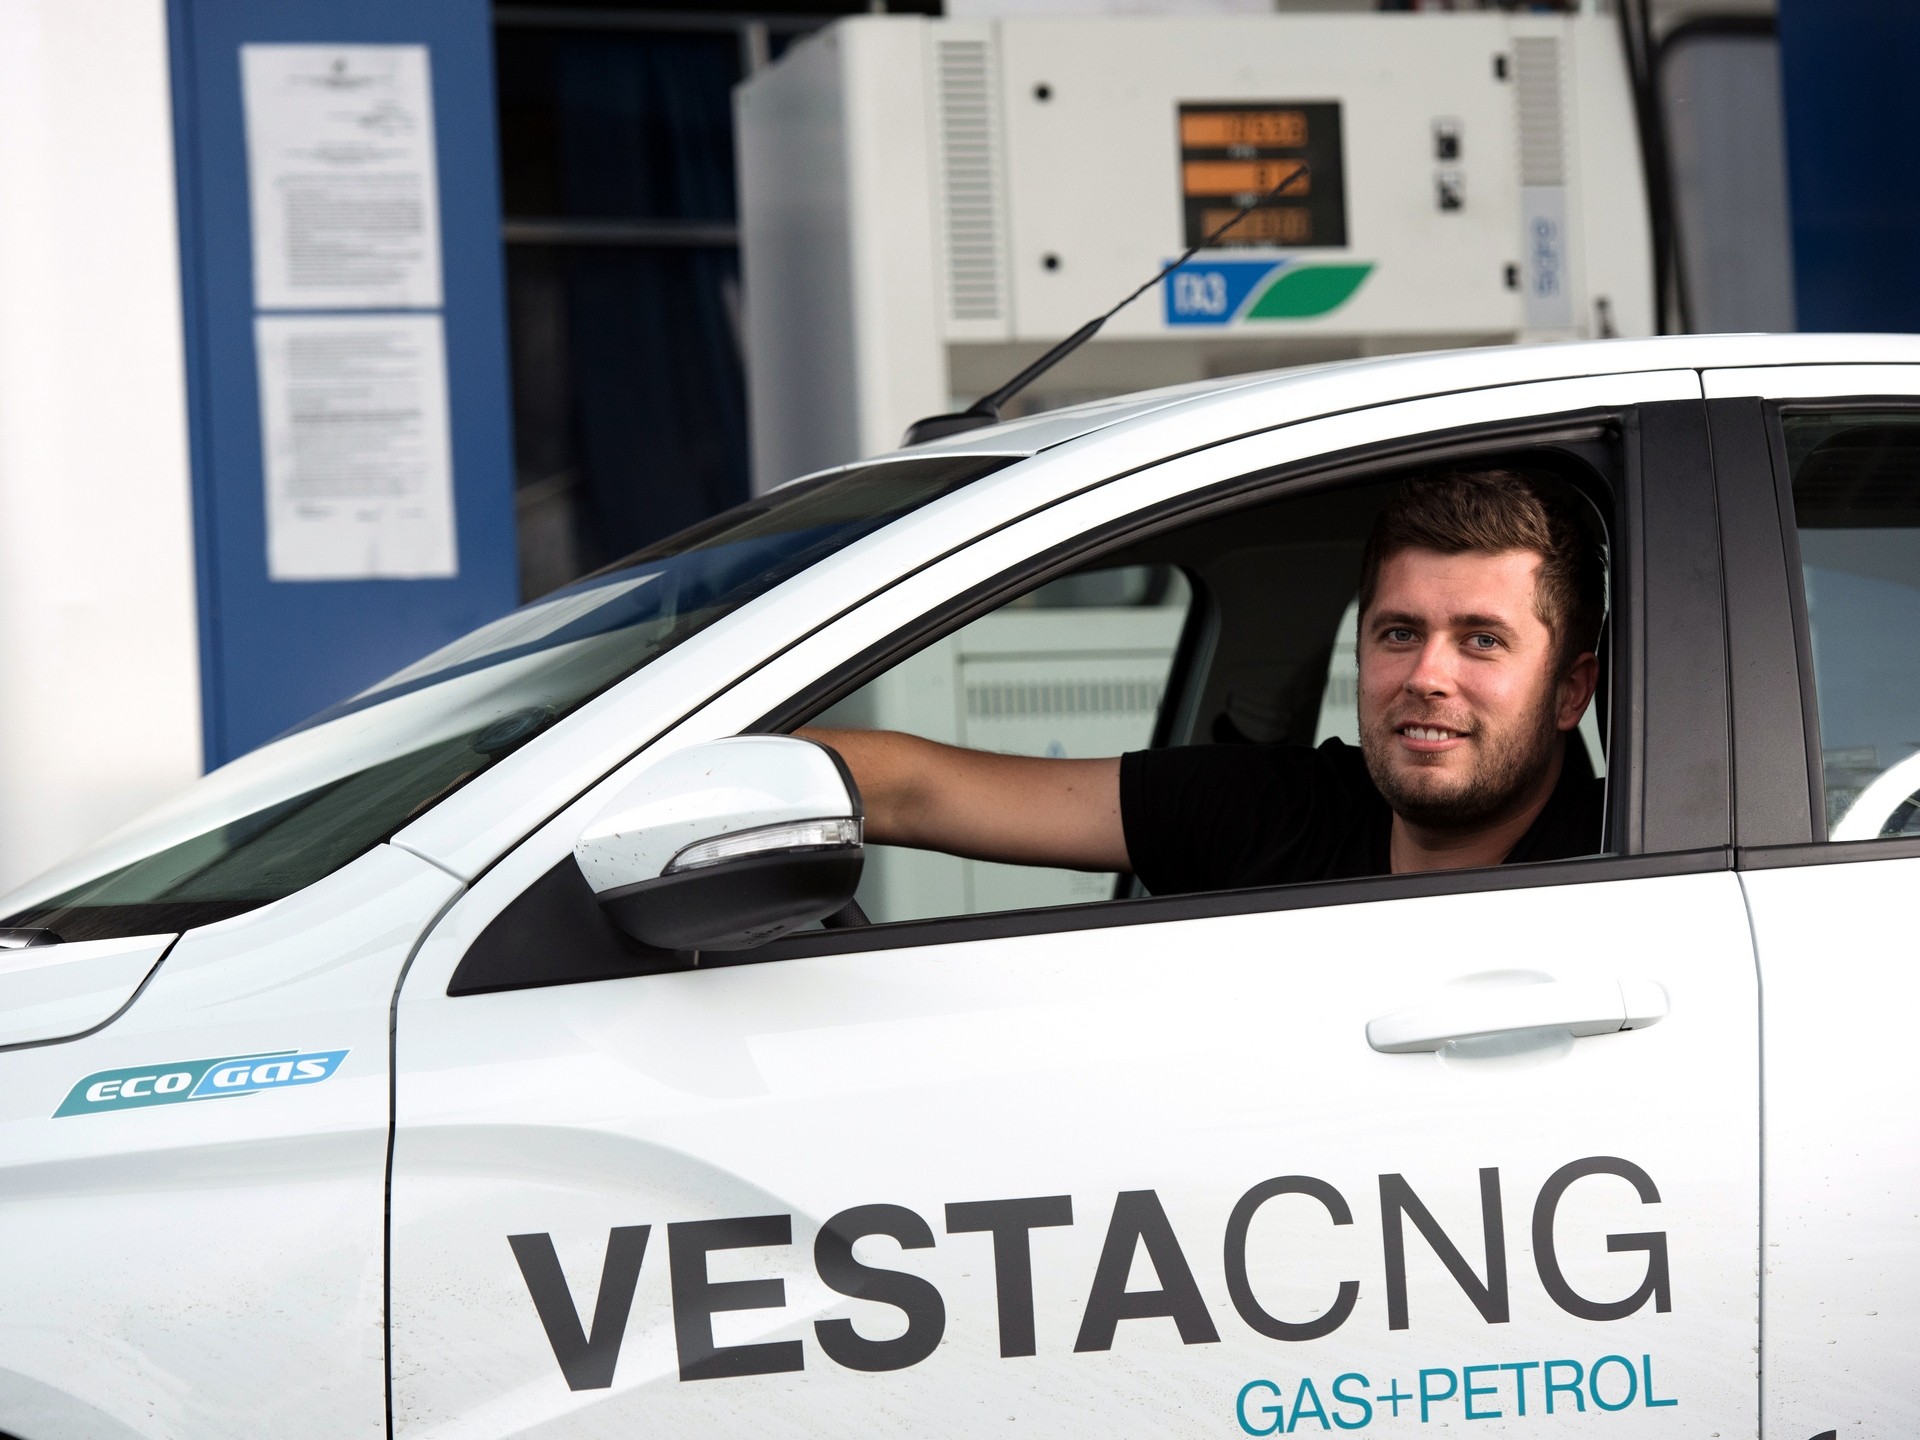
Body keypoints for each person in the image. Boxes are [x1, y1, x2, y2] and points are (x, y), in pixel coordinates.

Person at [801, 468, 1605, 894]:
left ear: (1570, 691)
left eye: (1482, 641)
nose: (1427, 675)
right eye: (1400, 633)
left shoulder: (1630, 863)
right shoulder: (1278, 815)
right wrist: (725, 768)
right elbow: (916, 790)